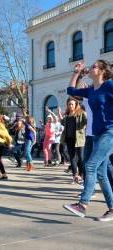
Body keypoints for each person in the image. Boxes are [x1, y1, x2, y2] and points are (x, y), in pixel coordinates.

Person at [63, 59, 113, 221]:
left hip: (110, 132)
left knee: (90, 165)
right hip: (97, 134)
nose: (90, 68)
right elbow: (70, 90)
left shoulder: (109, 85)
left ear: (102, 71)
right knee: (101, 173)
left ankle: (82, 204)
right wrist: (76, 72)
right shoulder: (92, 90)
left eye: (94, 66)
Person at [59, 97, 87, 184]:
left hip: (79, 139)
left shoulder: (81, 113)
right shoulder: (67, 116)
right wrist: (60, 115)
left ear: (75, 105)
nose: (70, 106)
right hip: (69, 139)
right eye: (69, 104)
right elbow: (62, 123)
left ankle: (82, 175)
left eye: (72, 104)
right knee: (72, 158)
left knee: (81, 158)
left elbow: (86, 122)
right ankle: (75, 176)